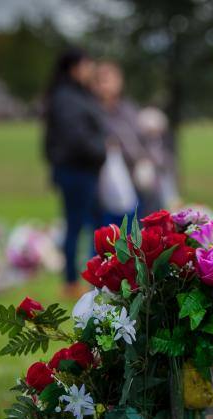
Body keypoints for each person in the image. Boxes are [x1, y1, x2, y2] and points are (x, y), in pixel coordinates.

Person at [43, 48, 107, 298]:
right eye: (88, 64)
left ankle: (86, 277)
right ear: (75, 67)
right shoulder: (66, 97)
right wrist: (101, 151)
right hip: (76, 170)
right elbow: (76, 137)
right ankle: (71, 281)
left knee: (85, 224)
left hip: (82, 168)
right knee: (77, 225)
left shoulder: (75, 94)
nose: (91, 70)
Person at [92, 61, 160, 216]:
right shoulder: (93, 111)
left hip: (136, 177)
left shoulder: (128, 108)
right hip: (108, 181)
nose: (106, 86)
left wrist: (146, 159)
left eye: (110, 79)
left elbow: (141, 138)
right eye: (101, 80)